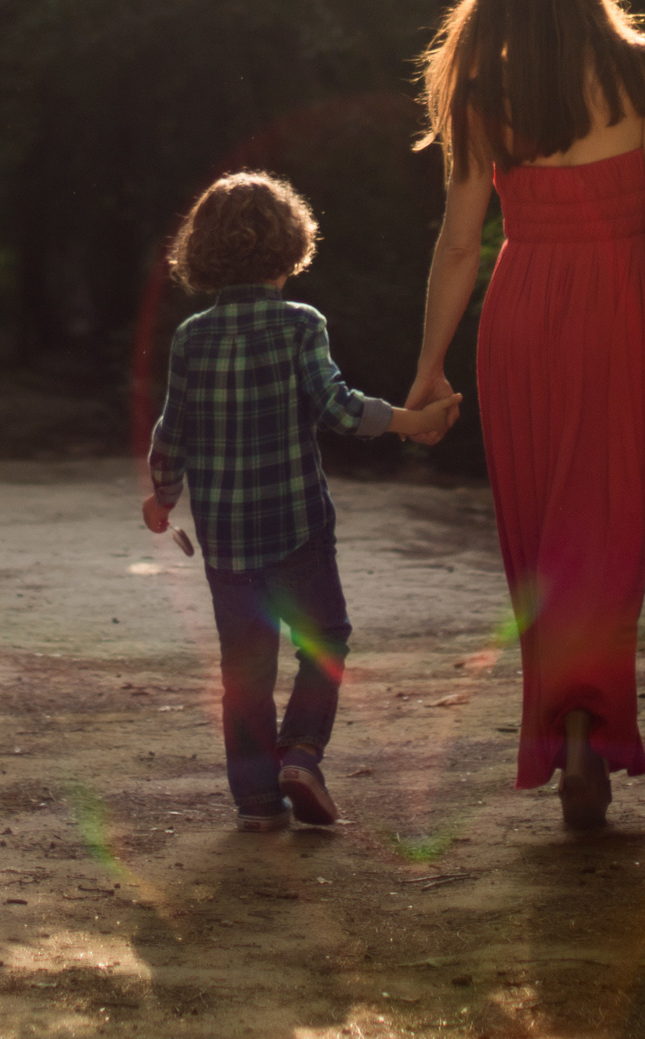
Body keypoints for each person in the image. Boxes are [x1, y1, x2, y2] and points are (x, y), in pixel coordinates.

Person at [401, 0, 645, 830]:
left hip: (520, 318)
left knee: (541, 536)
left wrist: (429, 367)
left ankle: (564, 728)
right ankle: (588, 728)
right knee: (604, 529)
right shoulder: (639, 68)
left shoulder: (480, 91)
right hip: (613, 320)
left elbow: (460, 246)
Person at [142, 172, 458, 831]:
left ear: (201, 252)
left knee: (244, 668)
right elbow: (337, 411)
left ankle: (257, 799)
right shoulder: (299, 325)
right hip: (297, 528)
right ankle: (302, 755)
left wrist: (161, 496)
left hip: (227, 541)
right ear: (291, 247)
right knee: (325, 641)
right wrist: (410, 420)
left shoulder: (192, 338)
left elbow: (173, 430)